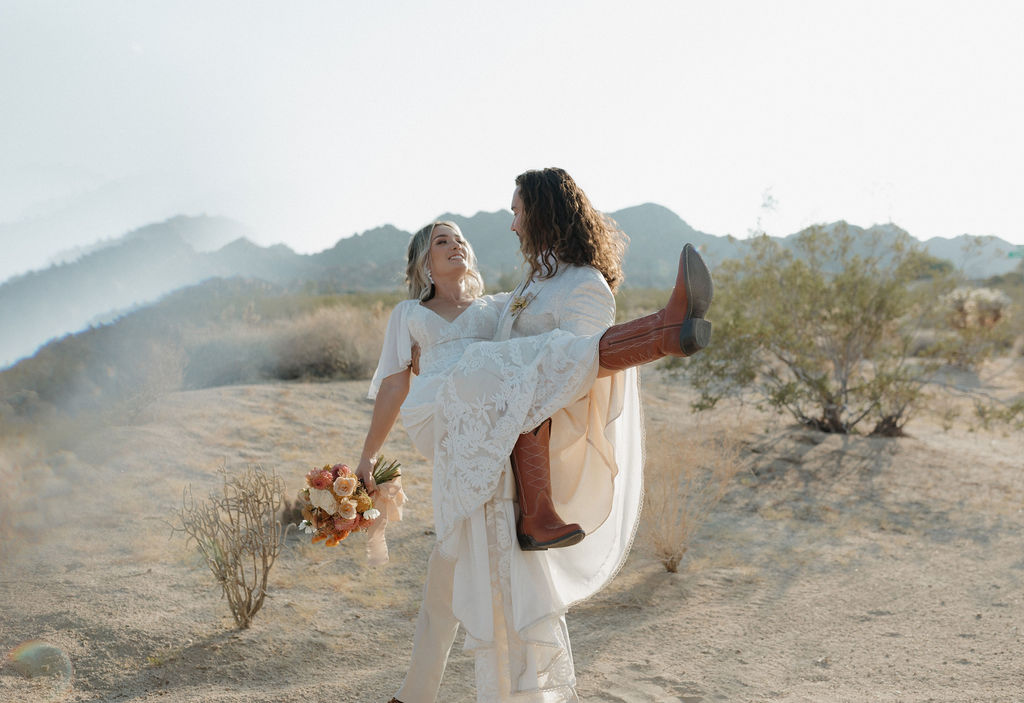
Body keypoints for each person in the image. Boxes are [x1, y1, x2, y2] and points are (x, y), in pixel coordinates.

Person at [364, 170, 712, 702]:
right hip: (445, 414)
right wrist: (366, 457)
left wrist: (581, 286)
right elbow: (393, 385)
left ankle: (415, 696)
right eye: (441, 240)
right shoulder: (409, 313)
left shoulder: (499, 305)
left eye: (460, 239)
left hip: (485, 438)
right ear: (422, 263)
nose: (455, 244)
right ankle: (661, 332)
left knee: (454, 571)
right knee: (506, 364)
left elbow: (549, 330)